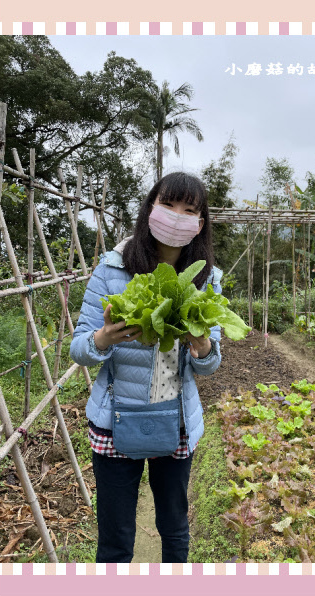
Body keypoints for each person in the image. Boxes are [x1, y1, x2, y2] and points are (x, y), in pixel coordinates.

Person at [70, 171, 223, 563]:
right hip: (114, 420)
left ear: (200, 224)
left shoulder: (206, 280)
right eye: (168, 205)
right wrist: (103, 339)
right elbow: (79, 348)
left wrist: (203, 345)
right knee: (116, 539)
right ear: (150, 208)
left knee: (174, 529)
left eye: (189, 210)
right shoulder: (111, 269)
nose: (176, 217)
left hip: (178, 422)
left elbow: (209, 365)